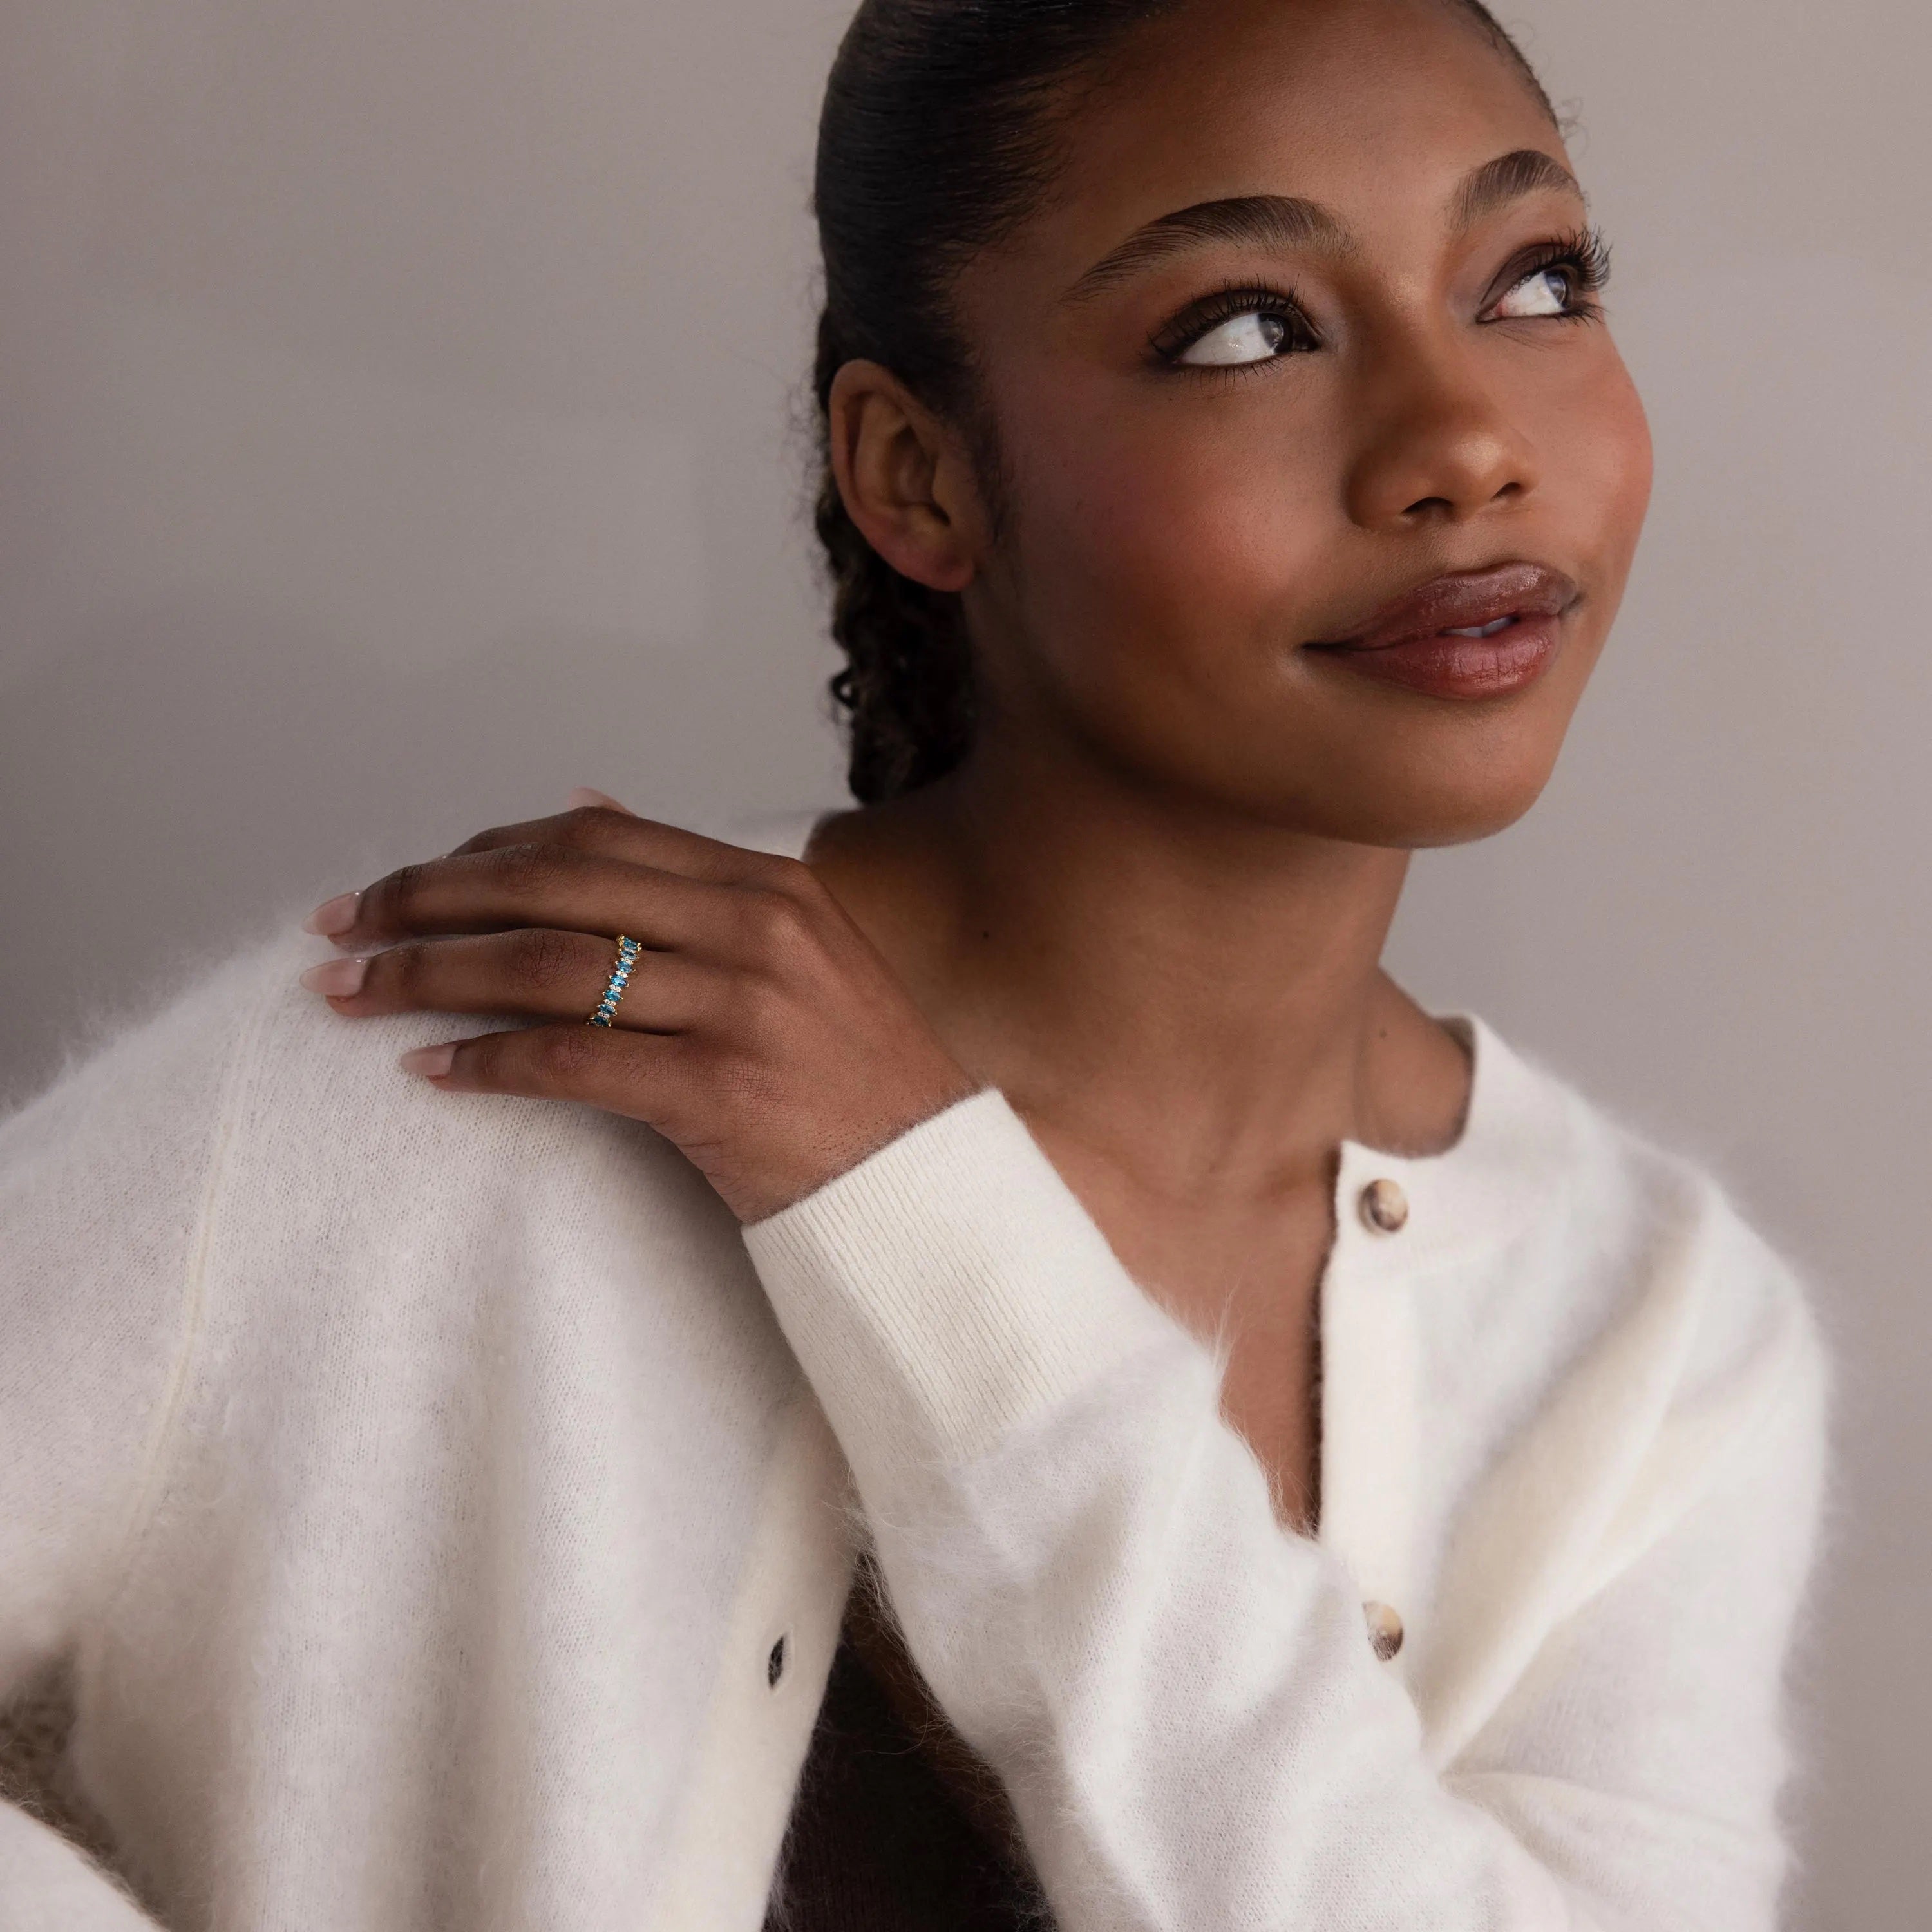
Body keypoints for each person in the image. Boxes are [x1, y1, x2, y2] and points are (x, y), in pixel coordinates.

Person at [0, 0, 1827, 1926]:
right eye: (1246, 328)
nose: (1465, 439)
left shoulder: (1657, 1340)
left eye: (1535, 280)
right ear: (919, 477)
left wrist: (924, 1216)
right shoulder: (475, 1067)